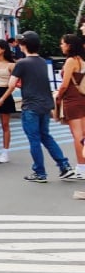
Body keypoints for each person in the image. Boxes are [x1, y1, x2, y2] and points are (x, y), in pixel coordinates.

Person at [0, 31, 73, 183]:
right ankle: (64, 165)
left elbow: (11, 84)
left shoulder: (22, 63)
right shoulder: (43, 62)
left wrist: (18, 85)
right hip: (45, 104)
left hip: (30, 105)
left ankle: (40, 172)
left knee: (34, 139)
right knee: (46, 136)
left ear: (24, 45)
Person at [54, 33, 85, 179]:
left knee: (77, 136)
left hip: (72, 100)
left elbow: (65, 84)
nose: (61, 46)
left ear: (69, 45)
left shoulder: (70, 61)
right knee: (83, 135)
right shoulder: (82, 60)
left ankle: (81, 167)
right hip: (82, 98)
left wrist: (58, 97)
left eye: (62, 43)